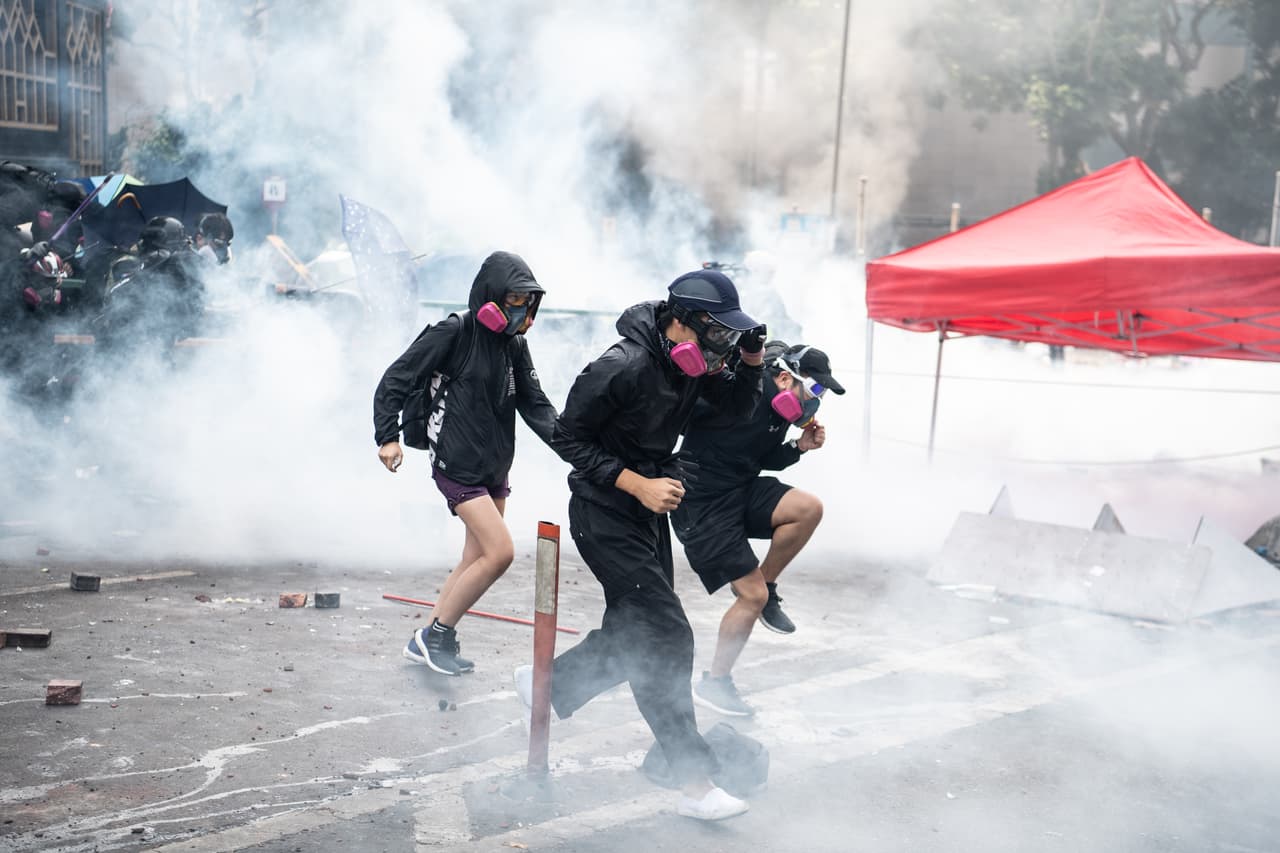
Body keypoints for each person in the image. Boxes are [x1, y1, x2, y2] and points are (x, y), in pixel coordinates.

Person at [516, 268, 766, 821]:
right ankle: (695, 783)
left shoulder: (691, 365)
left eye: (731, 335)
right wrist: (634, 482)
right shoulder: (621, 365)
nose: (723, 344)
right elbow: (567, 437)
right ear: (682, 322)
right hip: (603, 512)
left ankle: (550, 685)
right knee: (667, 634)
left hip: (649, 510)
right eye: (719, 333)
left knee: (638, 632)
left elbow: (736, 412)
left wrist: (751, 363)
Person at [373, 251, 558, 676]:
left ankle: (432, 640)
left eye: (526, 301)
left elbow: (538, 407)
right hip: (455, 463)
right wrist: (387, 436)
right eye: (513, 299)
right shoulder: (454, 331)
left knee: (474, 558)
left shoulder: (515, 345)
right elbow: (395, 378)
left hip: (494, 466)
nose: (521, 310)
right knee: (500, 554)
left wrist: (583, 453)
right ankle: (435, 635)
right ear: (490, 295)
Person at [672, 342, 844, 717]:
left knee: (808, 508)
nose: (817, 401)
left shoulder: (780, 410)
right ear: (784, 377)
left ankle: (767, 584)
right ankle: (715, 684)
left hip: (740, 489)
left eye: (822, 395)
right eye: (814, 390)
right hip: (701, 504)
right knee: (750, 598)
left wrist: (798, 447)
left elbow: (761, 458)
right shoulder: (742, 389)